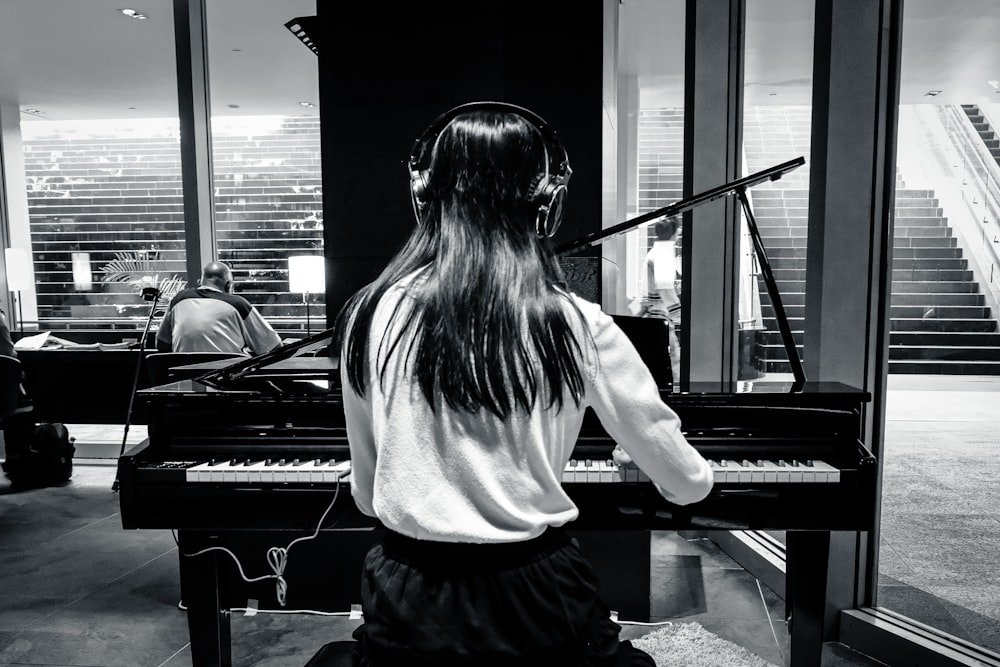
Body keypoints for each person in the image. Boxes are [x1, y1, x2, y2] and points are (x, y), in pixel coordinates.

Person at [334, 102, 714, 666]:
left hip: (406, 593)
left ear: (422, 193)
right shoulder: (577, 323)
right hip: (535, 592)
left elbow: (367, 496)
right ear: (547, 203)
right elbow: (688, 484)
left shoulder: (369, 313)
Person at [155, 261, 281, 355]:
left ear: (201, 282)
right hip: (225, 382)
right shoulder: (238, 305)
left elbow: (162, 344)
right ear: (228, 285)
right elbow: (273, 347)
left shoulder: (178, 300)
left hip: (185, 381)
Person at [628, 218, 682, 384]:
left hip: (653, 313)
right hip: (660, 315)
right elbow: (665, 289)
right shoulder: (663, 253)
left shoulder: (656, 251)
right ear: (674, 232)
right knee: (671, 360)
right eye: (678, 230)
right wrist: (680, 315)